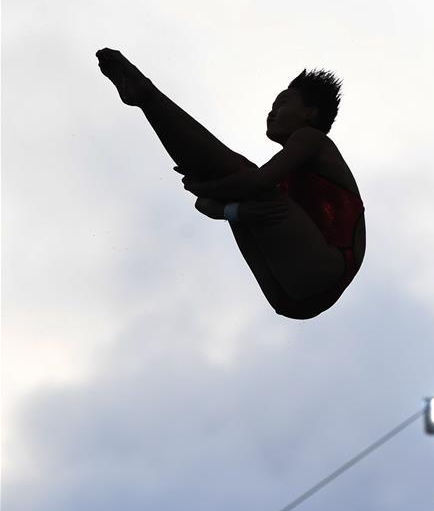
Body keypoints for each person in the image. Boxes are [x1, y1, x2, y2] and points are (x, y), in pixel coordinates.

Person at [96, 48, 365, 319]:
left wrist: (206, 188)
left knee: (244, 180)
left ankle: (148, 96)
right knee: (238, 199)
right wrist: (231, 209)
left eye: (282, 104)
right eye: (272, 106)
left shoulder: (312, 139)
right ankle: (147, 99)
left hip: (326, 270)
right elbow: (205, 205)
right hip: (289, 299)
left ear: (309, 113)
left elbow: (250, 184)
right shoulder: (285, 179)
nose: (271, 112)